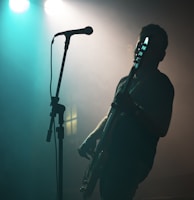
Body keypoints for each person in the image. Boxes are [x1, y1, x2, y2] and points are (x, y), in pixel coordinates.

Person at [78, 24, 174, 200]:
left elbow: (162, 128)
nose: (143, 48)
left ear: (161, 55)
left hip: (131, 160)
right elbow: (111, 115)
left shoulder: (162, 84)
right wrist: (92, 137)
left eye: (151, 44)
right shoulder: (124, 82)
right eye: (141, 43)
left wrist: (134, 110)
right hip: (110, 156)